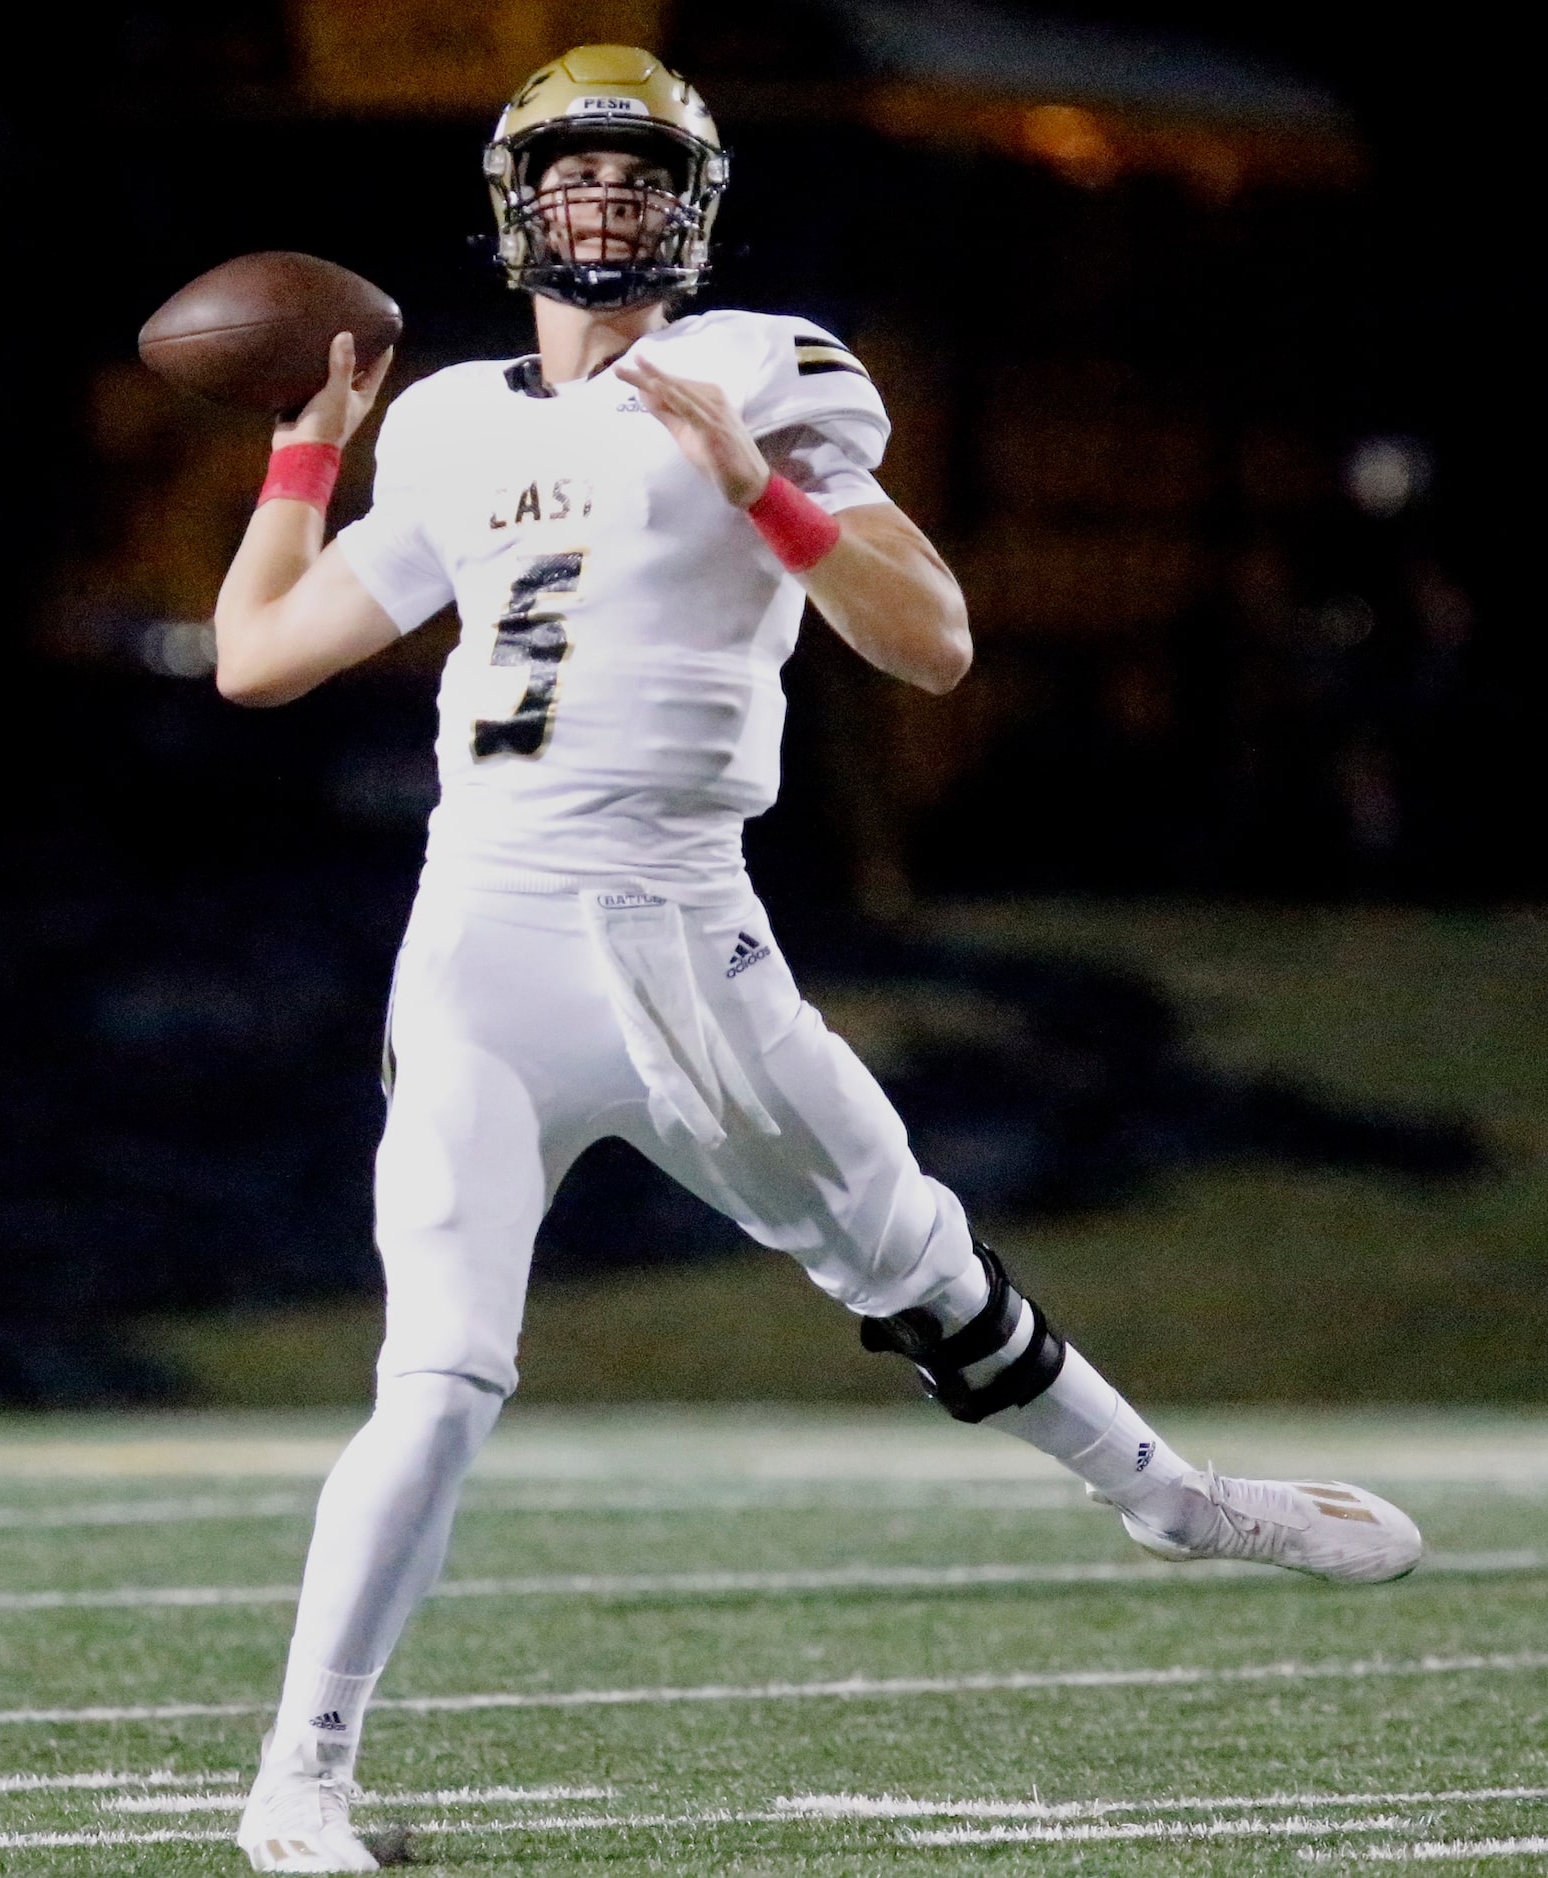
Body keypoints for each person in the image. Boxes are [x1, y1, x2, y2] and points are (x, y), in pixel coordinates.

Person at [211, 45, 1421, 1874]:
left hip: (687, 931)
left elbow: (927, 641)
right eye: (573, 168)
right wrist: (308, 441)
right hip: (478, 939)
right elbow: (262, 654)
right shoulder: (449, 417)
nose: (603, 198)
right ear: (511, 198)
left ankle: (1168, 1500)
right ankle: (298, 1774)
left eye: (636, 170)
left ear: (690, 205)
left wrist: (756, 491)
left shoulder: (765, 365)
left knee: (917, 1268)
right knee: (439, 1370)